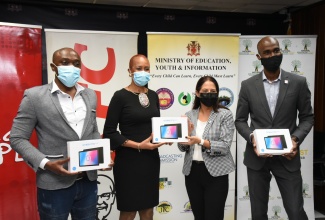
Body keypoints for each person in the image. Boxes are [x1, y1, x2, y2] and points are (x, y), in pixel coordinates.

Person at [10, 47, 113, 220]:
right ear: (53, 67)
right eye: (65, 63)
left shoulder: (90, 95)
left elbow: (92, 130)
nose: (71, 67)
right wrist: (46, 163)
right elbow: (17, 138)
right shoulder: (34, 96)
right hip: (53, 182)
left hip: (88, 181)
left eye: (76, 63)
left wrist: (101, 156)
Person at [235, 36, 314, 220]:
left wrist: (294, 140)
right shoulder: (248, 86)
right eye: (268, 52)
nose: (273, 55)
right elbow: (240, 120)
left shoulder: (298, 82)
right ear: (259, 56)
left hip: (288, 157)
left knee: (296, 211)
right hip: (257, 159)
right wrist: (253, 138)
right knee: (258, 213)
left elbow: (307, 117)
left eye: (276, 50)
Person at [103, 54, 166, 220]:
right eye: (139, 68)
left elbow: (155, 126)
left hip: (150, 159)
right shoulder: (120, 96)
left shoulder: (153, 95)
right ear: (130, 71)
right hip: (128, 161)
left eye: (146, 69)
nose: (143, 72)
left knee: (148, 210)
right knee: (129, 210)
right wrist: (138, 145)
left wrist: (172, 134)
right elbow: (109, 132)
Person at [178, 76, 236, 220]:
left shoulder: (225, 114)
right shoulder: (189, 115)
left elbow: (225, 146)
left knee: (214, 216)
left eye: (213, 91)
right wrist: (185, 137)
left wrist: (201, 141)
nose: (209, 94)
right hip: (192, 173)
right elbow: (182, 147)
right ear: (197, 93)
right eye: (205, 91)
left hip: (216, 175)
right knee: (199, 216)